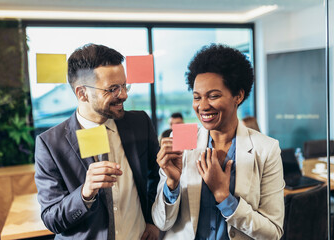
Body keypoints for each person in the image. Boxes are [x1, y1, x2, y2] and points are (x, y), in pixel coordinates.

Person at [152, 44, 285, 239]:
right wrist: (172, 183)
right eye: (197, 97)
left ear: (238, 96)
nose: (203, 106)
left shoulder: (266, 149)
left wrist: (224, 197)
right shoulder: (179, 138)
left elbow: (273, 233)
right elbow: (162, 222)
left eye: (213, 96)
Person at [34, 43, 160, 240]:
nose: (124, 95)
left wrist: (153, 221)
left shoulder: (139, 122)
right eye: (112, 89)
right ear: (82, 93)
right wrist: (85, 193)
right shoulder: (50, 144)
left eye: (124, 86)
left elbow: (156, 176)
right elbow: (51, 219)